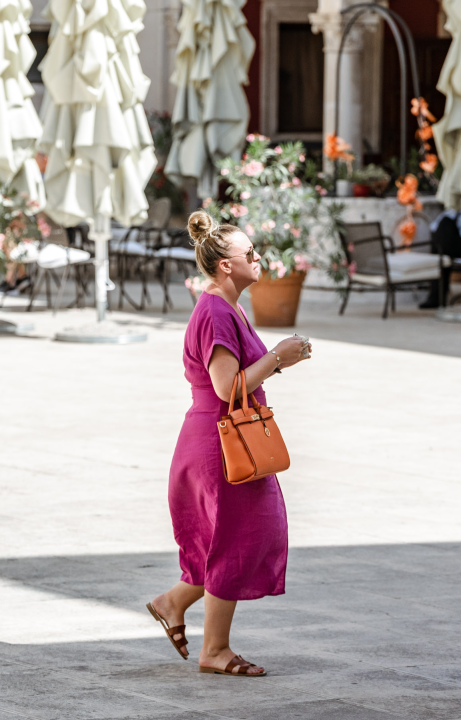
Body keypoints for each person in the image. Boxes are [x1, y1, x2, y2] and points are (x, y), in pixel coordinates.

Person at [146, 211, 312, 677]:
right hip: (221, 442)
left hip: (218, 438)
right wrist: (280, 358)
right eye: (250, 254)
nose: (258, 259)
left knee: (232, 537)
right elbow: (226, 386)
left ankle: (171, 602)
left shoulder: (223, 305)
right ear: (225, 265)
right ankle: (214, 650)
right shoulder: (218, 309)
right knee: (238, 539)